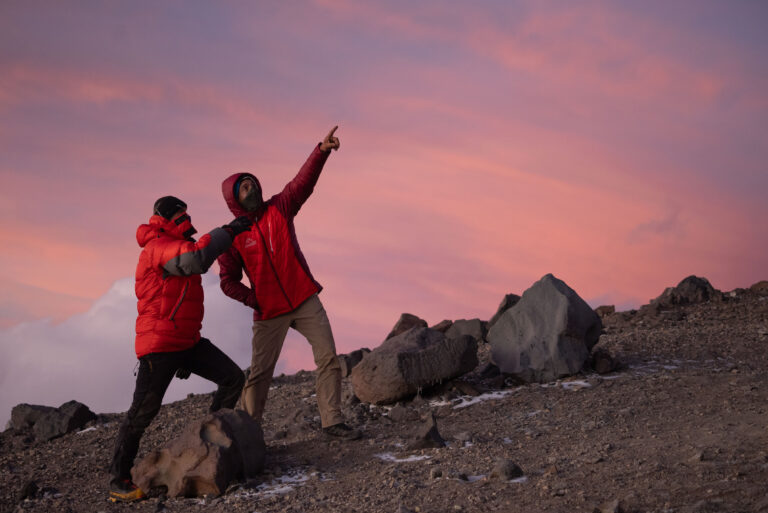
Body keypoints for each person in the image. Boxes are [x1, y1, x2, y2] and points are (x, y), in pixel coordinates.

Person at [218, 126, 360, 440]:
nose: (251, 189)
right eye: (244, 187)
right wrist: (253, 299)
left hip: (303, 298)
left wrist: (320, 152)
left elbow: (302, 183)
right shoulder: (233, 235)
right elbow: (227, 281)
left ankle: (332, 421)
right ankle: (249, 434)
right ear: (234, 199)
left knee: (328, 358)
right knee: (259, 375)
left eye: (252, 183)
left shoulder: (279, 207)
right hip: (269, 311)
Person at [108, 196, 252, 503]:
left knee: (232, 378)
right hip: (160, 345)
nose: (187, 219)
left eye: (187, 214)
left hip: (186, 342)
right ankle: (118, 479)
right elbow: (195, 260)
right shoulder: (157, 246)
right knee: (142, 413)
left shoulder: (176, 244)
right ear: (167, 218)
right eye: (181, 215)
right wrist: (228, 231)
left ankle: (211, 440)